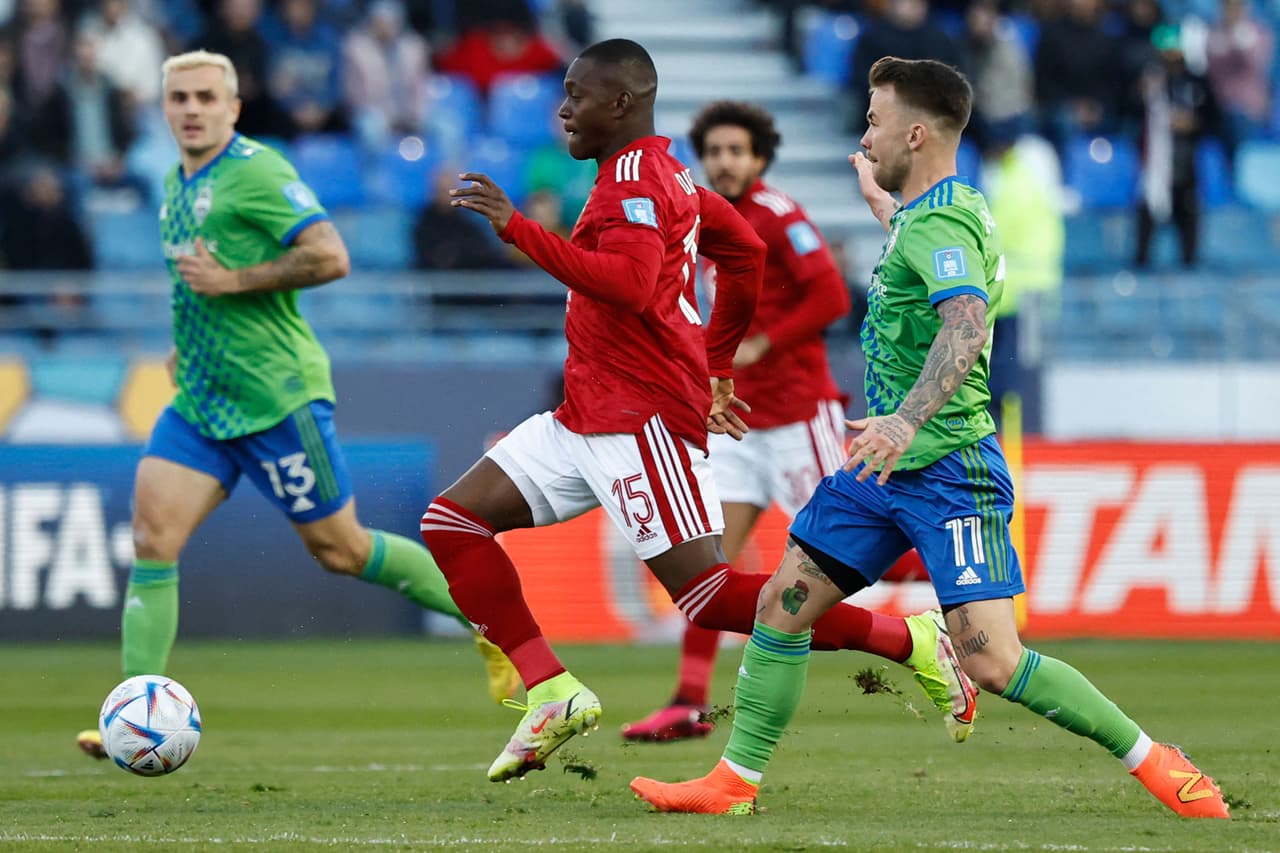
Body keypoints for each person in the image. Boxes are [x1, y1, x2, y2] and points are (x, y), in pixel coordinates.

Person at [630, 57, 1230, 820]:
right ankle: (733, 781)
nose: (865, 131)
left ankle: (1159, 762)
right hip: (879, 472)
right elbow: (925, 263)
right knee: (783, 605)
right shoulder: (939, 211)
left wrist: (907, 418)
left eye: (876, 119)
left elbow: (967, 321)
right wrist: (882, 205)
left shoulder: (941, 221)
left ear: (915, 133)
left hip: (946, 467)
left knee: (993, 660)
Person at [420, 38, 976, 785]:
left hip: (641, 421)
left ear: (620, 102)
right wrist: (717, 364)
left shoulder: (636, 184)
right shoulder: (661, 170)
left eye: (577, 94)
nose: (562, 108)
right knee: (451, 522)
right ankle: (551, 690)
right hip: (585, 412)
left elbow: (628, 281)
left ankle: (910, 640)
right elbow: (742, 250)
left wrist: (519, 230)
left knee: (710, 597)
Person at [75, 49, 516, 761]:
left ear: (233, 107)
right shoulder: (174, 182)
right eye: (178, 97)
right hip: (201, 402)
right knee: (153, 539)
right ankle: (135, 711)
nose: (191, 109)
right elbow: (196, 283)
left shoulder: (258, 171)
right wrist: (185, 343)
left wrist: (237, 279)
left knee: (342, 550)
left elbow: (330, 255)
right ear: (165, 108)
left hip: (278, 397)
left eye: (205, 97)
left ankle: (491, 620)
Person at [620, 99, 978, 744]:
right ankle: (687, 702)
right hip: (738, 425)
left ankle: (954, 620)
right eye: (716, 152)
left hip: (798, 418)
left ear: (759, 158)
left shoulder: (779, 215)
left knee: (862, 546)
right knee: (713, 570)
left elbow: (831, 295)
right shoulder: (696, 216)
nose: (725, 162)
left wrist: (763, 343)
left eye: (738, 150)